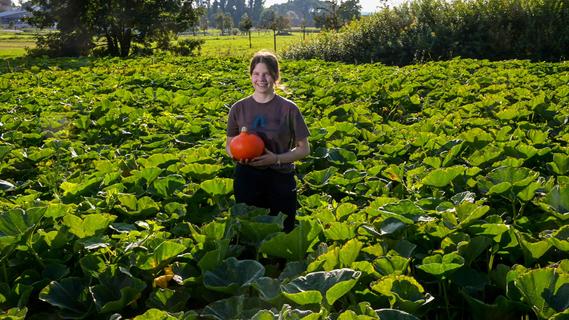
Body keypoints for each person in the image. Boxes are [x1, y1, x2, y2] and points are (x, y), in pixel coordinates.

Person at [226, 51, 310, 232]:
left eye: (266, 74)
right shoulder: (238, 108)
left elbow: (304, 149)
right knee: (249, 230)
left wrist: (276, 159)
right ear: (251, 76)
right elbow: (230, 144)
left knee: (284, 229)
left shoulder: (289, 109)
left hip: (280, 177)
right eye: (256, 74)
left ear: (275, 76)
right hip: (247, 177)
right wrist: (237, 155)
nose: (261, 79)